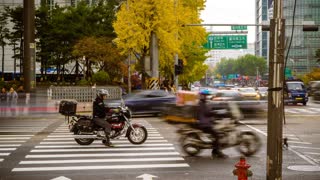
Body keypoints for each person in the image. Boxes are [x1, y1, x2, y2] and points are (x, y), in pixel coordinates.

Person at [197, 89, 227, 158]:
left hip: (206, 122)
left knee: (217, 132)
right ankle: (217, 152)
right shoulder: (201, 104)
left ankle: (215, 150)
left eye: (206, 96)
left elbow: (208, 112)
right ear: (202, 96)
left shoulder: (202, 103)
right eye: (205, 96)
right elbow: (208, 113)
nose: (206, 97)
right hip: (204, 124)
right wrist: (217, 113)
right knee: (217, 135)